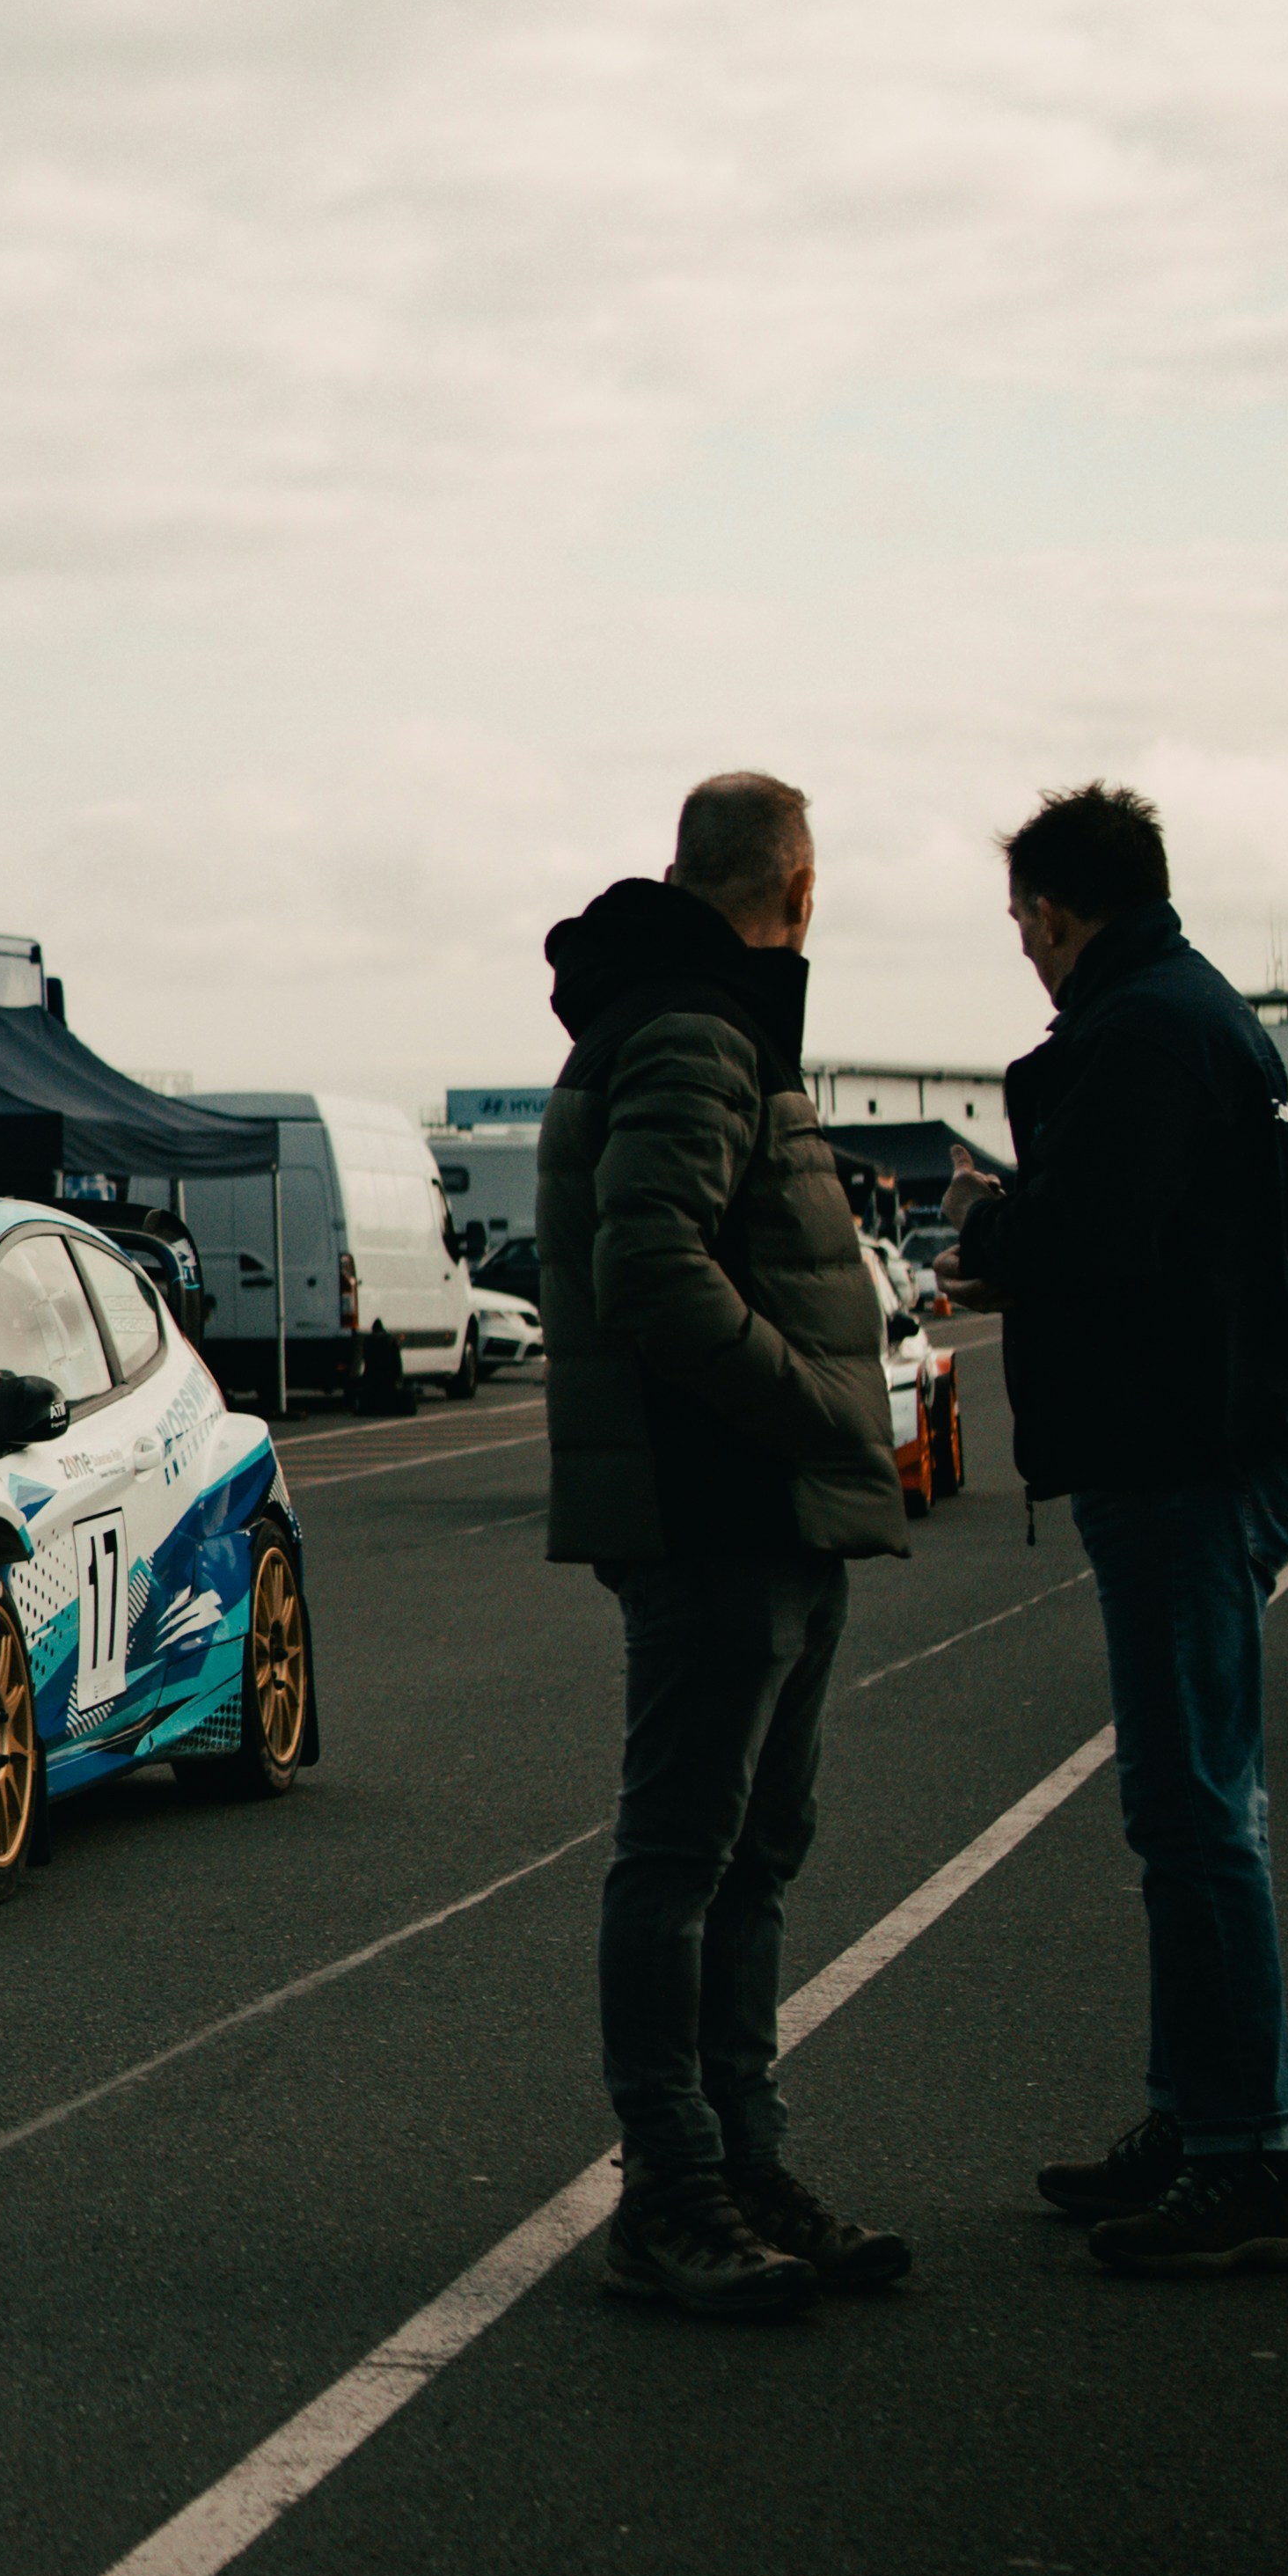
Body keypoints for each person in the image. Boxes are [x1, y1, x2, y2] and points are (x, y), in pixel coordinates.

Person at [538, 770, 913, 2324]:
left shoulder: (696, 1016)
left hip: (757, 1505)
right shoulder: (696, 1024)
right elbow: (650, 1260)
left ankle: (738, 2162)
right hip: (723, 1504)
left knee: (749, 1852)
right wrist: (813, 1401)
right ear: (796, 883)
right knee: (689, 1855)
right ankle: (674, 2186)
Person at [940, 785, 1288, 2273]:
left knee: (1192, 1812)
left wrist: (986, 1233)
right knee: (1189, 1809)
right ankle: (1202, 2114)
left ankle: (1244, 2150)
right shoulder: (1187, 1013)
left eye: (1021, 924)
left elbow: (1096, 1238)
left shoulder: (1141, 1033)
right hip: (1209, 1434)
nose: (1024, 954)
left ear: (1051, 908)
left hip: (1182, 1448)